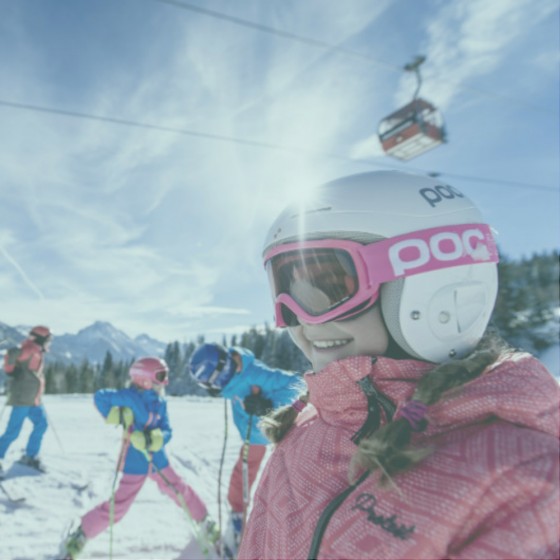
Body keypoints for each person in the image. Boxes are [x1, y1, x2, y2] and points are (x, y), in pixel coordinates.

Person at [238, 170, 560, 560]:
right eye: (284, 291)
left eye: (326, 287)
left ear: (434, 282)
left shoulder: (523, 481)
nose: (301, 319)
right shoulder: (308, 426)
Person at [62, 357, 219, 560]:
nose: (165, 381)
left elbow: (167, 430)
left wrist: (155, 439)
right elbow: (100, 397)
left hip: (157, 460)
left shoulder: (160, 402)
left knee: (179, 489)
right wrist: (117, 416)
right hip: (135, 462)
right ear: (144, 379)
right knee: (119, 505)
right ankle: (82, 532)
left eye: (165, 375)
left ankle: (204, 520)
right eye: (160, 376)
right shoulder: (128, 397)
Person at [188, 343, 305, 553]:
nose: (213, 389)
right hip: (254, 438)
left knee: (280, 481)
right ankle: (237, 514)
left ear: (220, 372)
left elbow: (298, 384)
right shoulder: (232, 381)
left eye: (210, 383)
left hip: (278, 436)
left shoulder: (254, 373)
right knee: (241, 475)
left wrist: (269, 406)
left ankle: (285, 530)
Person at [0, 325, 52, 475]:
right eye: (48, 339)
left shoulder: (36, 350)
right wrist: (11, 370)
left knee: (41, 424)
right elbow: (11, 353)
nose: (49, 343)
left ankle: (30, 456)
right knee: (13, 432)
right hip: (23, 397)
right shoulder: (29, 349)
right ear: (40, 338)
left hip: (33, 398)